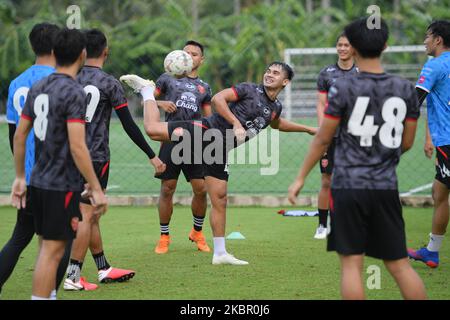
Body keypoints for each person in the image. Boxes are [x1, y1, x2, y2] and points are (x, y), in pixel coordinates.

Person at [121, 61, 316, 265]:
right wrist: (235, 123)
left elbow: (277, 124)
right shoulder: (249, 89)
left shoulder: (275, 107)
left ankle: (220, 253)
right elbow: (218, 99)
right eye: (268, 70)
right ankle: (147, 91)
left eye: (275, 73)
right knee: (153, 130)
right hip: (206, 131)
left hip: (218, 149)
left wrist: (308, 129)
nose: (269, 74)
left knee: (220, 198)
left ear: (285, 81)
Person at [287, 17, 427, 300]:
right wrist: (382, 158)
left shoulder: (343, 89)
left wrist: (300, 177)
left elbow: (324, 137)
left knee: (351, 265)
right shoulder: (404, 88)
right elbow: (408, 142)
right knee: (399, 264)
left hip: (349, 186)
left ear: (354, 49)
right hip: (386, 186)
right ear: (385, 46)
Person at [63, 29, 165, 291]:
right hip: (95, 157)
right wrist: (152, 155)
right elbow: (130, 125)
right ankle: (73, 276)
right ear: (105, 52)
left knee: (91, 213)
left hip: (67, 153)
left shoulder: (68, 77)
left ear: (82, 52)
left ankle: (103, 268)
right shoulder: (109, 83)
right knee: (88, 213)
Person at [11, 28, 108, 300]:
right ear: (82, 54)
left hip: (37, 180)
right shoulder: (74, 91)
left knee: (46, 250)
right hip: (60, 184)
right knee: (52, 252)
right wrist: (96, 187)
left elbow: (20, 134)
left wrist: (20, 177)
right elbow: (78, 146)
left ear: (54, 53)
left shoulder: (39, 87)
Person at [0, 22, 71, 299]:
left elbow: (13, 135)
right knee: (60, 243)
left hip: (29, 175)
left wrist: (22, 173)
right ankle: (48, 294)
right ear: (57, 48)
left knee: (20, 237)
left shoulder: (17, 82)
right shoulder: (62, 80)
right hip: (56, 175)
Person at [153, 40, 213, 254]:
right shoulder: (167, 79)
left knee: (201, 189)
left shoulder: (204, 87)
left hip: (195, 142)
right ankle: (164, 236)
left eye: (194, 54)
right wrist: (160, 104)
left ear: (201, 59)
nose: (189, 57)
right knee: (167, 189)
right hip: (170, 139)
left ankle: (197, 231)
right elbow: (147, 99)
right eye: (185, 53)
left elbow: (210, 118)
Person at [408, 20, 450, 268]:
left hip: (447, 140)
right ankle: (432, 251)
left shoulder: (434, 65)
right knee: (439, 191)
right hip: (443, 139)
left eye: (427, 37)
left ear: (437, 40)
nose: (424, 41)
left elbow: (415, 100)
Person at [314, 32, 358, 239]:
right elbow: (321, 104)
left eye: (346, 45)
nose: (341, 48)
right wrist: (324, 133)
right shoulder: (326, 73)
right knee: (327, 180)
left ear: (354, 49)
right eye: (339, 45)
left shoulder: (363, 72)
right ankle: (322, 225)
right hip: (332, 135)